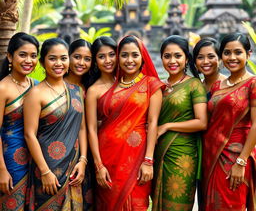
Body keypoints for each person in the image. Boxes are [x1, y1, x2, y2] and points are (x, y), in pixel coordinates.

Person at [87, 35, 163, 210]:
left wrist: (148, 161)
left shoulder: (151, 85)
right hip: (107, 159)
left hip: (137, 159)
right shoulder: (101, 89)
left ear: (143, 57)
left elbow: (152, 123)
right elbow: (91, 128)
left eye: (135, 55)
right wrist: (98, 166)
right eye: (124, 55)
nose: (130, 60)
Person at [24, 38, 87, 210]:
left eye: (63, 58)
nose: (59, 63)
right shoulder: (35, 94)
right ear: (43, 62)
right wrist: (44, 172)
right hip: (47, 166)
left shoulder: (76, 91)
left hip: (74, 167)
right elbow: (29, 134)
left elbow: (82, 128)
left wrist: (83, 160)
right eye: (52, 58)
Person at [152, 35, 208, 211]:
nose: (172, 61)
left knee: (177, 202)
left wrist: (167, 126)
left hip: (183, 155)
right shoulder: (159, 86)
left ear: (186, 59)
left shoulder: (194, 85)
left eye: (178, 56)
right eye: (167, 56)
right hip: (159, 153)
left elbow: (201, 122)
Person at [202, 33, 256, 210]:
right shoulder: (217, 86)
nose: (232, 57)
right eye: (227, 53)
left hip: (234, 158)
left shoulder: (252, 84)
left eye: (237, 52)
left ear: (248, 54)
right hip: (210, 156)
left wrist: (241, 162)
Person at [0, 32, 39, 210]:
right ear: (10, 56)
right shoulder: (3, 88)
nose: (28, 60)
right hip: (10, 160)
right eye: (22, 55)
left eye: (33, 55)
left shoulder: (37, 86)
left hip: (37, 158)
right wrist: (1, 170)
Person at [64, 38, 93, 210]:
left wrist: (84, 158)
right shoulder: (56, 85)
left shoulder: (90, 87)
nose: (81, 63)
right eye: (77, 57)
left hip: (85, 153)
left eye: (87, 59)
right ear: (68, 57)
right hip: (59, 152)